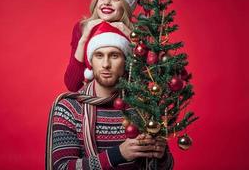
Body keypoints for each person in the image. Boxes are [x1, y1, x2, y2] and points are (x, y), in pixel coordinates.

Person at [46, 22, 174, 169]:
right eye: (99, 56)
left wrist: (161, 154)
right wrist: (119, 154)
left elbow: (167, 167)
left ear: (126, 62)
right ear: (91, 62)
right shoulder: (69, 107)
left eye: (114, 55)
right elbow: (61, 167)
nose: (106, 64)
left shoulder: (142, 105)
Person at [64, 0, 144, 92]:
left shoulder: (139, 32)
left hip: (127, 105)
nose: (107, 2)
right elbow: (72, 85)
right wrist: (83, 40)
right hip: (92, 102)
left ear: (126, 5)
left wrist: (132, 37)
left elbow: (147, 82)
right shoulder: (81, 28)